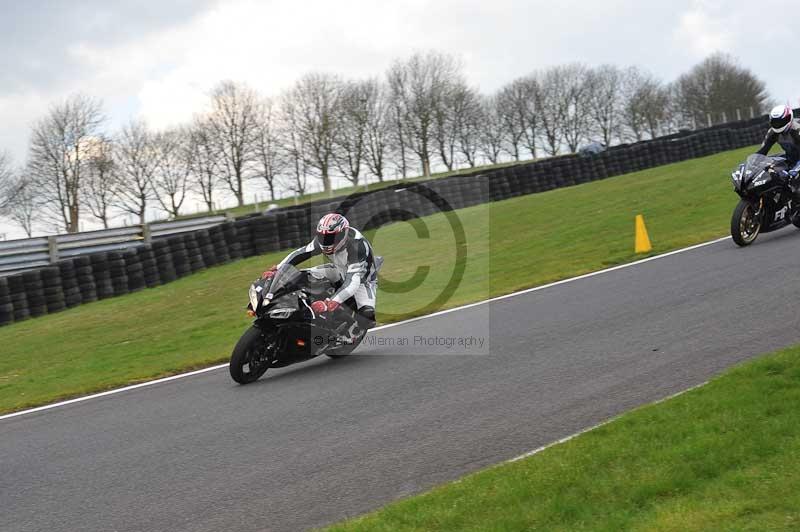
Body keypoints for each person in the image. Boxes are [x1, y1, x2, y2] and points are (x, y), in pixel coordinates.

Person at [263, 213, 380, 342]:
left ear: (343, 234)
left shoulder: (357, 247)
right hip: (338, 269)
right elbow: (301, 253)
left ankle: (352, 334)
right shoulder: (323, 240)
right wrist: (278, 269)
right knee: (301, 276)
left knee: (367, 316)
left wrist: (329, 303)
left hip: (363, 280)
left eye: (331, 238)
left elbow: (353, 282)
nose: (326, 242)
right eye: (323, 237)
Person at [757, 104, 800, 191]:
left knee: (794, 184)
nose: (778, 124)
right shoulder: (772, 132)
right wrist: (751, 164)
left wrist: (795, 170)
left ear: (789, 118)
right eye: (775, 122)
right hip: (791, 158)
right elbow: (762, 151)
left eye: (781, 121)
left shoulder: (797, 130)